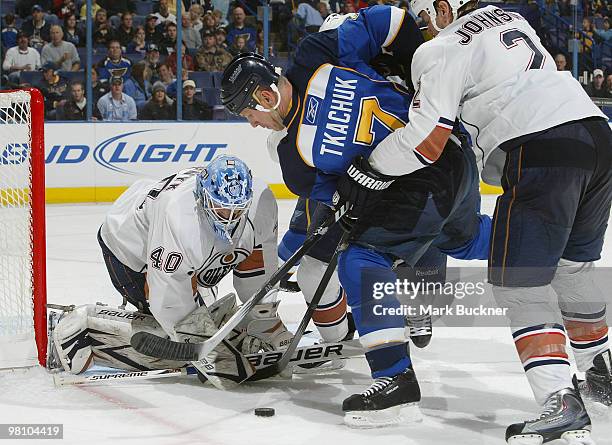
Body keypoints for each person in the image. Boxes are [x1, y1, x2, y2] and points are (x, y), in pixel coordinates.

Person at [335, 0, 612, 442]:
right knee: (571, 270)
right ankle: (600, 371)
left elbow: (427, 139)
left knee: (519, 285)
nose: (425, 28)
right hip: (597, 135)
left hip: (541, 147)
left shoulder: (441, 47)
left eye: (426, 18)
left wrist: (371, 166)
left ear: (442, 8)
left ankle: (561, 403)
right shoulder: (511, 18)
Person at [221, 5, 490, 427]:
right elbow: (343, 201)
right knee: (465, 238)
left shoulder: (313, 62)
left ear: (264, 96)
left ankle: (394, 379)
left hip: (426, 173)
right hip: (449, 161)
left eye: (248, 113)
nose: (253, 124)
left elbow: (391, 21)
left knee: (362, 261)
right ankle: (553, 248)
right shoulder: (292, 156)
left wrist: (413, 72)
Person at [50, 157, 289, 389]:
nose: (228, 218)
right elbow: (168, 303)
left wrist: (263, 319)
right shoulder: (180, 218)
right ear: (203, 197)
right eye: (221, 208)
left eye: (236, 210)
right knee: (174, 344)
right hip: (130, 249)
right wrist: (209, 354)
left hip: (179, 248)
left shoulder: (261, 201)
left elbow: (259, 264)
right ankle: (85, 329)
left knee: (206, 321)